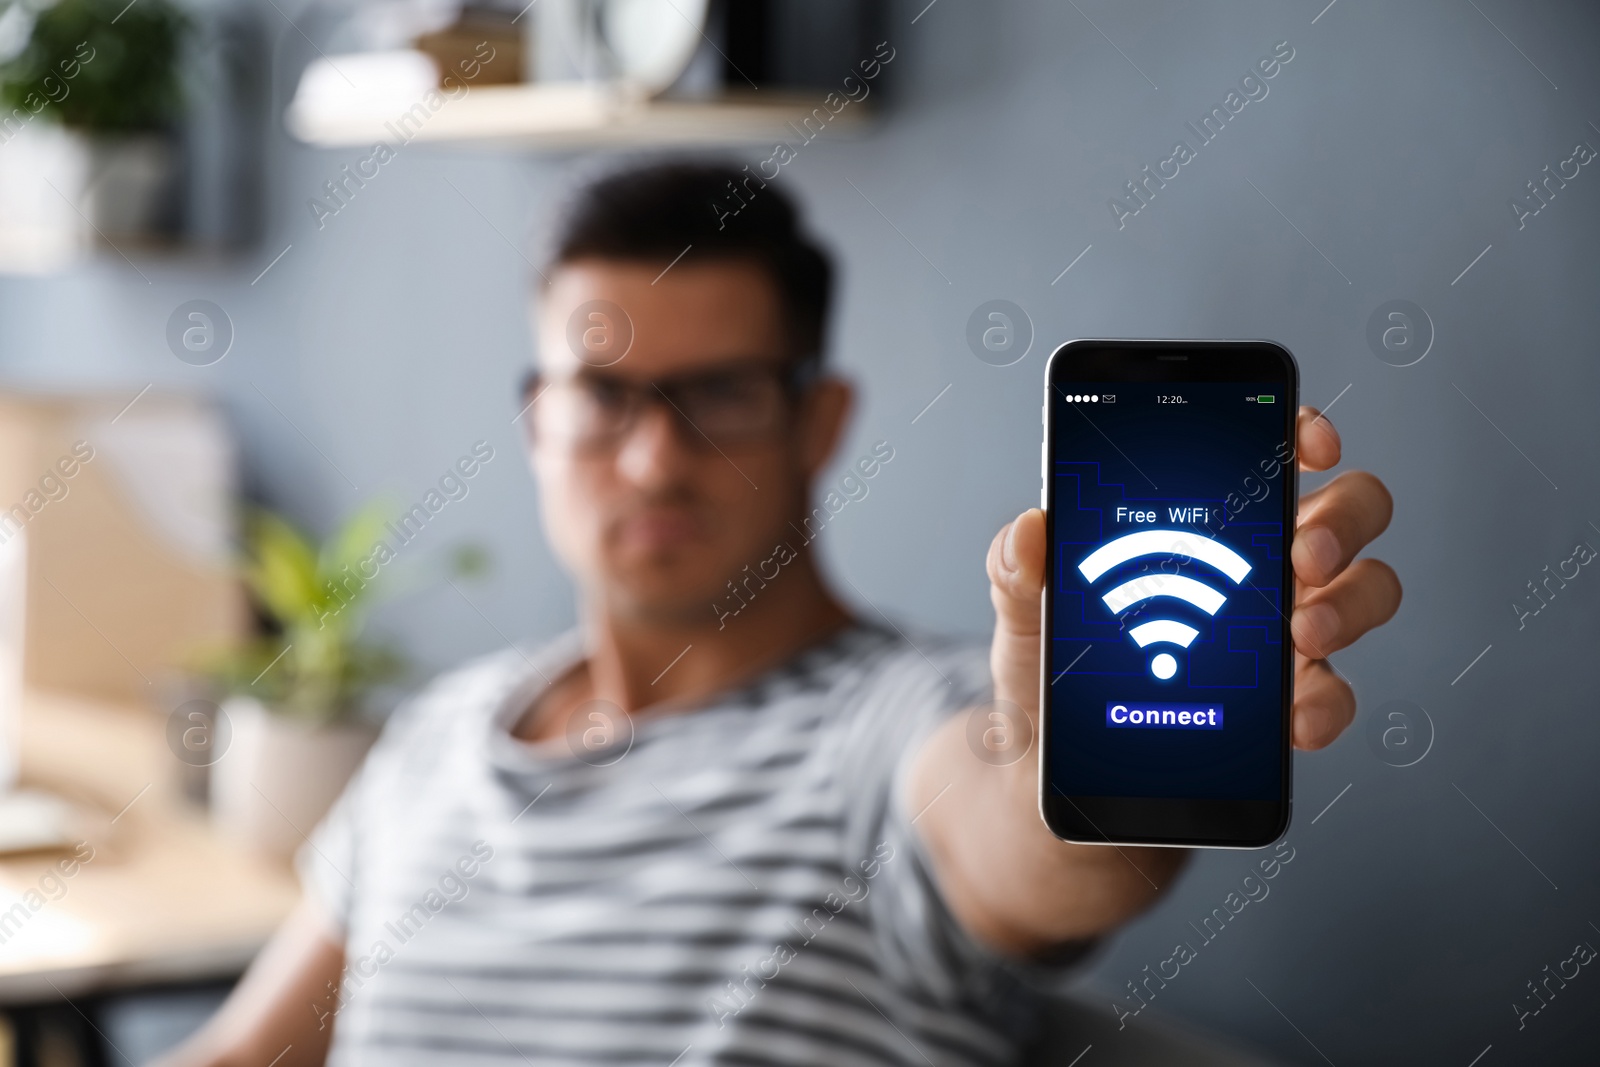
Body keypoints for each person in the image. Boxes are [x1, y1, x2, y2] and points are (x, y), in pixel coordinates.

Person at [162, 162, 1399, 1067]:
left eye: (718, 393)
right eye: (601, 395)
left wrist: (1084, 756)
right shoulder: (435, 735)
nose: (652, 459)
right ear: (538, 418)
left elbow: (1046, 849)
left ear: (820, 420)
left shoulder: (895, 727)